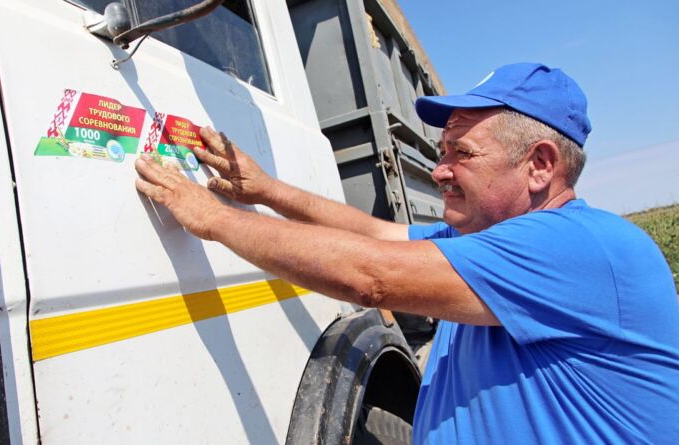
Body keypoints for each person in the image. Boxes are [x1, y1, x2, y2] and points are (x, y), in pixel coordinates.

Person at [134, 63, 679, 444]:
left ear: (539, 165)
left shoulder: (578, 248)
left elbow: (369, 274)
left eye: (461, 153)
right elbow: (379, 236)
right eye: (441, 153)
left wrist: (212, 219)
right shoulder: (484, 243)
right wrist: (265, 191)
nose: (440, 171)